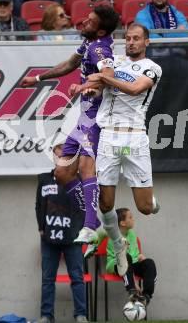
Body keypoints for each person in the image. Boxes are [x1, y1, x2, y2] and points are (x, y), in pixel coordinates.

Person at [21, 5, 120, 244]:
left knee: (86, 168)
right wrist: (37, 78)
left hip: (98, 117)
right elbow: (70, 64)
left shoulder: (100, 48)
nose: (84, 21)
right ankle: (96, 223)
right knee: (62, 172)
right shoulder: (88, 43)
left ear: (100, 31)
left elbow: (109, 75)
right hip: (83, 117)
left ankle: (89, 226)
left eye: (91, 20)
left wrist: (86, 86)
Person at [77, 23, 162, 276]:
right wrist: (88, 87)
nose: (131, 42)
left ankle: (152, 200)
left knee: (145, 208)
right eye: (128, 38)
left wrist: (102, 77)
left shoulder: (153, 68)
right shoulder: (115, 62)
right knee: (105, 203)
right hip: (109, 137)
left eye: (136, 39)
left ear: (146, 42)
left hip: (135, 139)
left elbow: (135, 89)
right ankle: (118, 244)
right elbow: (98, 83)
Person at [35, 143, 88, 323]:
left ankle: (81, 315)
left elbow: (86, 208)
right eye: (57, 157)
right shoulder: (44, 179)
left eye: (64, 157)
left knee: (77, 278)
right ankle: (46, 316)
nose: (60, 160)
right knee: (47, 279)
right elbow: (39, 205)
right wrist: (41, 228)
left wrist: (81, 230)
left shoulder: (80, 181)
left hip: (73, 240)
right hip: (49, 239)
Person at [106, 207, 157, 307]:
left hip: (131, 265)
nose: (133, 219)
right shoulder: (114, 238)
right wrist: (135, 283)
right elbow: (124, 260)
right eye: (130, 217)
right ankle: (132, 291)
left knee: (149, 263)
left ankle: (146, 296)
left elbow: (134, 256)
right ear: (122, 223)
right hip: (116, 265)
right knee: (125, 256)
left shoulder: (132, 234)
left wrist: (140, 257)